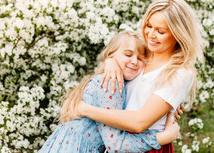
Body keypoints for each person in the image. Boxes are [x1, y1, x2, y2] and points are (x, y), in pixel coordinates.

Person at [76, 0, 204, 153]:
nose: (151, 34)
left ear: (178, 34)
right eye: (149, 26)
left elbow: (139, 122)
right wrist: (111, 61)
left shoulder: (179, 72)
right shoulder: (140, 55)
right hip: (116, 141)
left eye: (160, 31)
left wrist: (84, 110)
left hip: (146, 146)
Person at [39, 31, 180, 153]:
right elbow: (116, 145)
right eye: (128, 54)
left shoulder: (118, 81)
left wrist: (166, 106)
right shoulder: (111, 84)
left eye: (140, 58)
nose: (134, 61)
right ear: (111, 55)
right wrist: (163, 137)